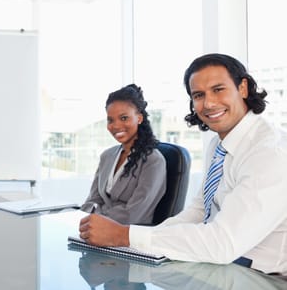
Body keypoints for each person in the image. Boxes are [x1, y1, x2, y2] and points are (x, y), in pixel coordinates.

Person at [79, 53, 287, 275]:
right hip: (216, 266)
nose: (208, 103)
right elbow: (199, 212)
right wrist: (144, 242)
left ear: (243, 88)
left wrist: (125, 235)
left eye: (218, 89)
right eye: (199, 95)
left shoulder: (269, 152)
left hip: (260, 277)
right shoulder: (219, 144)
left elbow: (224, 243)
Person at [80, 84, 166, 225]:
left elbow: (134, 214)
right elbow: (92, 200)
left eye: (124, 118)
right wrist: (88, 219)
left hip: (129, 235)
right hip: (97, 229)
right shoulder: (107, 156)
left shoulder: (153, 161)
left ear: (139, 118)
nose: (116, 126)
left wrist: (96, 218)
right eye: (110, 120)